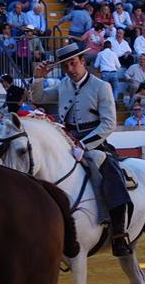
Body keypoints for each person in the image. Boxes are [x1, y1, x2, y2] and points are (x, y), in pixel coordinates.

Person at [49, 38, 133, 256]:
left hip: (94, 140)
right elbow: (39, 96)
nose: (70, 69)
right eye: (65, 65)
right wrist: (38, 79)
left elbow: (108, 124)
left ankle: (119, 233)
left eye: (73, 63)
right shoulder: (63, 85)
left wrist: (84, 145)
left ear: (83, 61)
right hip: (67, 139)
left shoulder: (101, 86)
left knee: (110, 170)